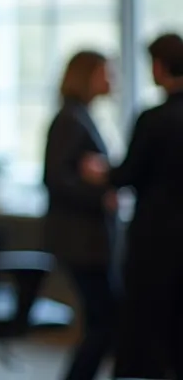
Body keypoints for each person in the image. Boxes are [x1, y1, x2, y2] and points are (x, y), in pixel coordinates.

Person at [85, 33, 183, 379]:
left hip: (156, 235)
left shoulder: (154, 119)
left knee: (148, 318)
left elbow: (127, 174)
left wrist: (102, 173)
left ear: (158, 67)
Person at [41, 50, 118, 380]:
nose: (112, 80)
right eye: (105, 73)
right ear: (86, 76)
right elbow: (56, 179)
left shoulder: (80, 115)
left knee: (103, 320)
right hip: (79, 242)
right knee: (107, 320)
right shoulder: (70, 119)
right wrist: (101, 192)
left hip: (87, 240)